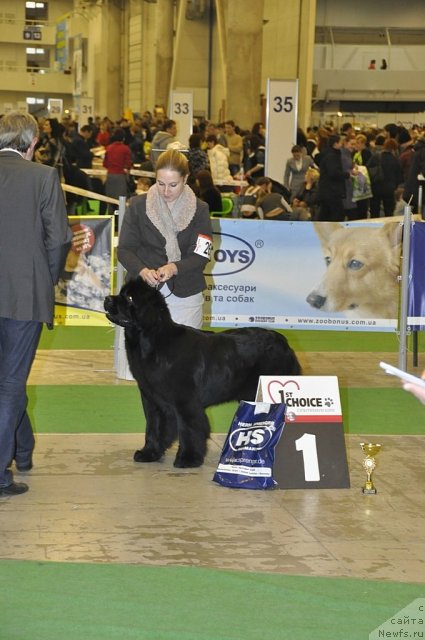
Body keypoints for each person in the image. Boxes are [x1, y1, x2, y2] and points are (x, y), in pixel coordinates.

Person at [0, 112, 72, 496]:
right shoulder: (44, 177)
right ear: (30, 144)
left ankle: (23, 449)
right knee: (10, 383)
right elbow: (59, 239)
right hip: (24, 297)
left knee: (7, 383)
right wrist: (44, 278)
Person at [117, 149, 213, 329]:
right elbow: (124, 249)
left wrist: (174, 268)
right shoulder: (137, 205)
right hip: (142, 296)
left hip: (186, 296)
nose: (166, 191)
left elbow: (201, 255)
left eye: (173, 184)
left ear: (185, 179)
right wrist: (142, 271)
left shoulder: (201, 210)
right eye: (160, 183)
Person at [103, 127, 132, 208]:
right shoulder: (126, 149)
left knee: (110, 200)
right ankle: (120, 219)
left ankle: (111, 218)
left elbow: (105, 164)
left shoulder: (108, 148)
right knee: (121, 202)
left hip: (110, 176)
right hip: (120, 177)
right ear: (123, 138)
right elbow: (128, 164)